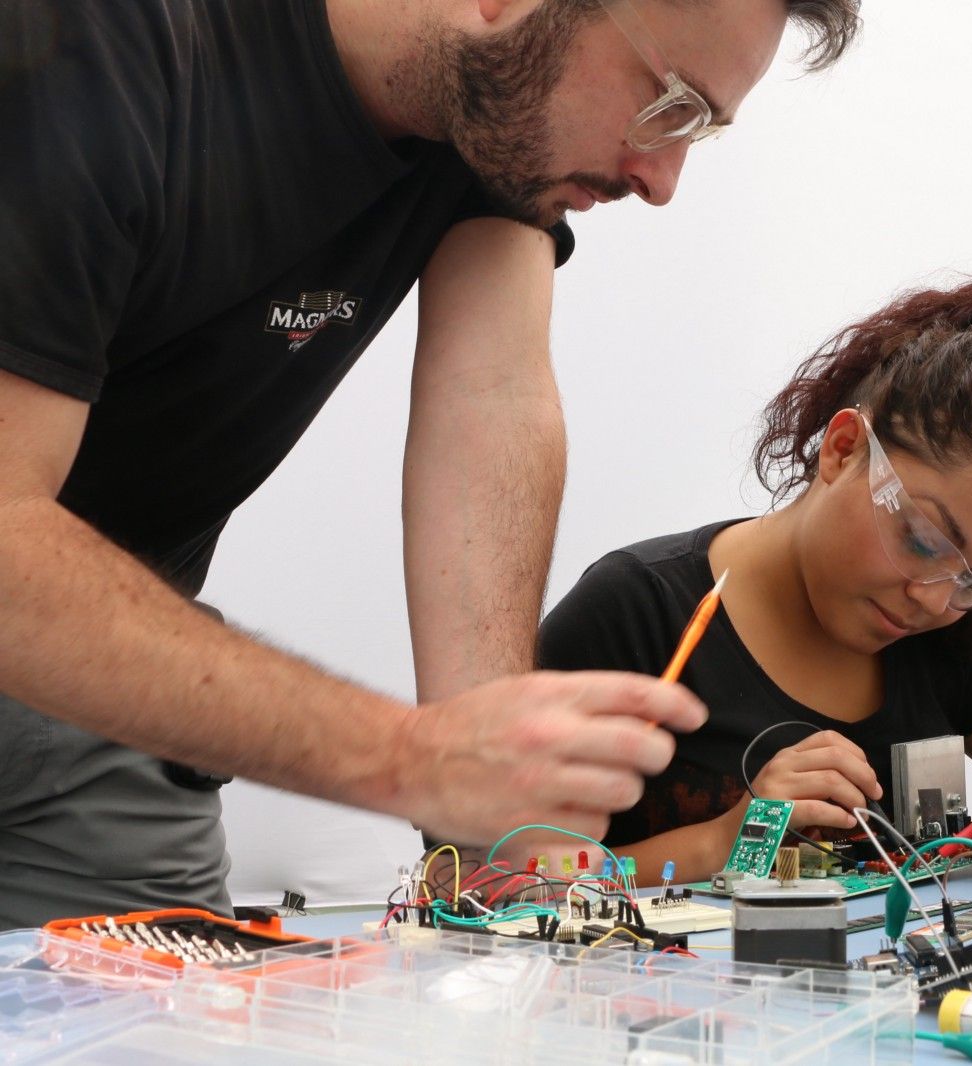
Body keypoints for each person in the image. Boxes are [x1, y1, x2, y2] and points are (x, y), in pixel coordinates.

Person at [0, 0, 859, 929]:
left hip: (106, 701)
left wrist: (512, 844)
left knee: (175, 1015)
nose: (663, 179)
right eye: (672, 104)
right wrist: (412, 758)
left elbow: (492, 402)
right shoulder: (91, 35)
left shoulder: (483, 119)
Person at [538, 280, 972, 884]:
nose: (933, 599)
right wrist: (723, 844)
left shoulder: (942, 647)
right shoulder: (634, 612)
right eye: (922, 540)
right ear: (843, 448)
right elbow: (496, 872)